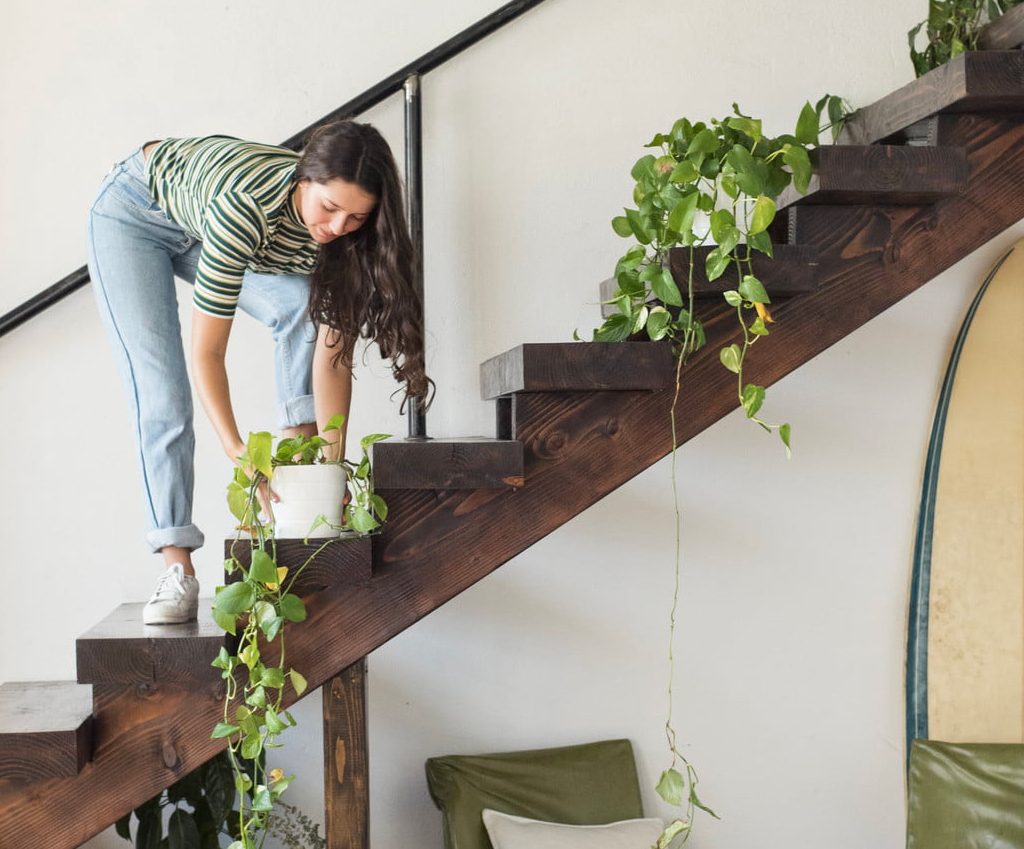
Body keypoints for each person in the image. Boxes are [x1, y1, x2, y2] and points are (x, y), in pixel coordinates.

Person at [87, 122, 429, 625]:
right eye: (329, 208)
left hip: (202, 217)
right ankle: (176, 564)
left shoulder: (347, 239)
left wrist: (331, 471)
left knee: (306, 312)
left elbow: (332, 356)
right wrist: (239, 451)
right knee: (162, 391)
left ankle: (296, 498)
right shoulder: (246, 210)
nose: (337, 228)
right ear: (303, 178)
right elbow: (208, 352)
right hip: (134, 214)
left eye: (356, 216)